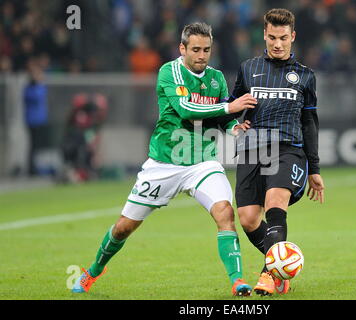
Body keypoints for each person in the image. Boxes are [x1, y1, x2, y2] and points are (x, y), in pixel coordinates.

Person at [72, 22, 257, 296]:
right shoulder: (169, 72)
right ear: (182, 48)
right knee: (124, 228)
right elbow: (186, 109)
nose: (201, 55)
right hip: (164, 164)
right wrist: (231, 106)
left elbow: (221, 118)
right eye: (195, 49)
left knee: (225, 213)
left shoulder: (216, 78)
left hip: (202, 163)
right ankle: (93, 271)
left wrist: (234, 127)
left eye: (206, 49)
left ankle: (237, 280)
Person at [229, 8, 325, 296]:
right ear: (264, 35)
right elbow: (233, 105)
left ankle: (269, 276)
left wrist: (315, 169)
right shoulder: (248, 69)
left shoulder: (305, 76)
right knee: (247, 218)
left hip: (288, 149)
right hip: (252, 149)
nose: (277, 43)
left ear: (292, 36)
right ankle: (282, 266)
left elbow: (309, 123)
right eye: (272, 37)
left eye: (283, 38)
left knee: (274, 202)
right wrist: (235, 122)